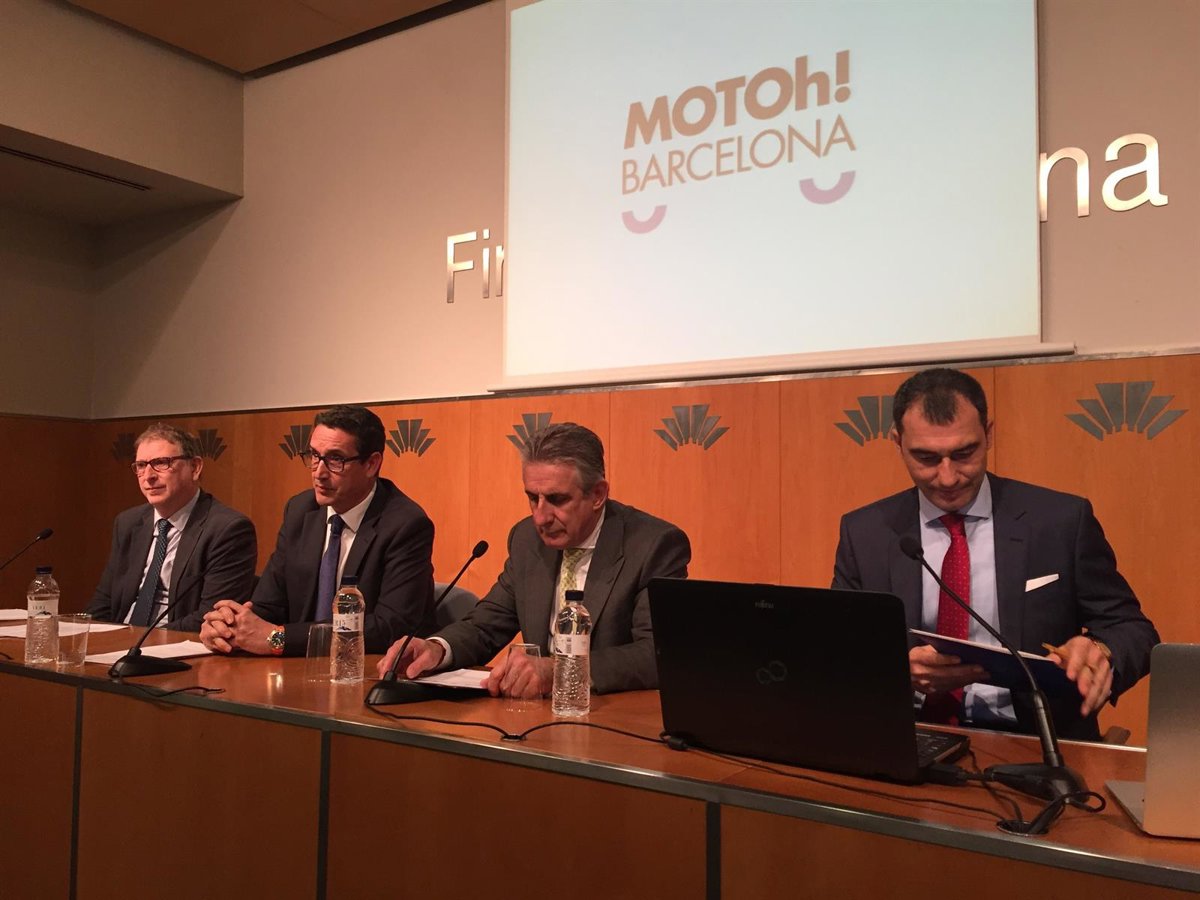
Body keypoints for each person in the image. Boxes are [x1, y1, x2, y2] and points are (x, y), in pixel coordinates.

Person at [832, 368, 1159, 740]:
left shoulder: (1061, 521)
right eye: (926, 458)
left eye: (964, 454)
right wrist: (896, 672)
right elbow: (839, 653)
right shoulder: (865, 533)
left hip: (1038, 739)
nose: (948, 477)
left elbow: (1133, 630)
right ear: (897, 442)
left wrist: (1101, 649)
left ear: (988, 434)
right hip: (909, 736)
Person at [377, 422, 690, 696]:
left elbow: (656, 654)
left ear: (597, 495)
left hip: (611, 716)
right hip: (535, 716)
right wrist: (436, 648)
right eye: (532, 497)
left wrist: (560, 670)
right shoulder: (527, 539)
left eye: (557, 499)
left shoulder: (653, 545)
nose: (541, 517)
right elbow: (486, 625)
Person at [200, 405, 436, 656]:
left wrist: (278, 639)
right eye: (314, 455)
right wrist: (228, 627)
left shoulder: (405, 524)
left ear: (371, 464)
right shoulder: (300, 510)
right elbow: (269, 605)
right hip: (295, 667)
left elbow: (388, 628)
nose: (319, 473)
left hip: (362, 669)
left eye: (335, 459)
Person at [87, 423, 256, 632]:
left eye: (161, 463)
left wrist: (141, 641)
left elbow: (212, 618)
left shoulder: (228, 529)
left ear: (195, 467)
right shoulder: (128, 523)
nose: (148, 476)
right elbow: (104, 601)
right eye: (141, 465)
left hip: (176, 643)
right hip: (121, 639)